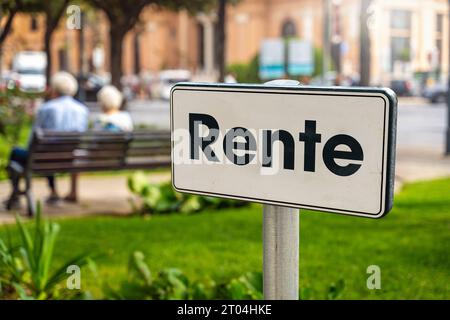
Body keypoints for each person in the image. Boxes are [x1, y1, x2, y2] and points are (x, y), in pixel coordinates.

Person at [5, 71, 88, 208]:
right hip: (70, 157)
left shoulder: (46, 108)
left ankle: (16, 196)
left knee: (16, 153)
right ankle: (53, 192)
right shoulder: (82, 109)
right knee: (49, 151)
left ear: (54, 89)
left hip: (44, 157)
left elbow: (34, 137)